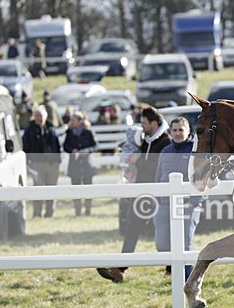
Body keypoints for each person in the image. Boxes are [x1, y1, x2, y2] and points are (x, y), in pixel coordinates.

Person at [97, 104, 171, 283]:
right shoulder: (146, 140)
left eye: (145, 123)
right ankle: (120, 269)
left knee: (164, 232)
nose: (142, 126)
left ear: (154, 123)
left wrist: (137, 161)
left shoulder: (165, 142)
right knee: (133, 229)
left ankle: (171, 268)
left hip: (157, 194)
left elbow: (156, 168)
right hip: (141, 192)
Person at [154, 117, 203, 279]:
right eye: (174, 130)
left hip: (188, 205)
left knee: (185, 246)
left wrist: (193, 202)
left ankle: (189, 279)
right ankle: (173, 270)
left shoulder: (195, 151)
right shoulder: (166, 151)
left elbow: (202, 178)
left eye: (181, 130)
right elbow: (158, 176)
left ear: (189, 131)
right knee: (161, 244)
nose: (177, 133)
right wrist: (159, 198)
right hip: (165, 204)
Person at [22, 105, 62, 217]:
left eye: (41, 116)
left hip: (51, 163)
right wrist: (26, 163)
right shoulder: (29, 130)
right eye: (37, 116)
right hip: (36, 163)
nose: (39, 118)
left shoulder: (51, 128)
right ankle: (37, 213)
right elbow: (25, 147)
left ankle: (50, 212)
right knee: (38, 189)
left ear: (45, 116)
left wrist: (57, 161)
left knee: (51, 188)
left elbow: (57, 146)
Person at [62, 111, 97, 216]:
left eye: (73, 120)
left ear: (80, 121)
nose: (71, 122)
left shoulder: (88, 132)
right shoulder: (69, 133)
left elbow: (95, 146)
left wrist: (87, 150)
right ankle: (78, 211)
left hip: (86, 164)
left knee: (88, 188)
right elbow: (65, 146)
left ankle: (88, 210)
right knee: (75, 188)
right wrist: (72, 150)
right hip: (75, 164)